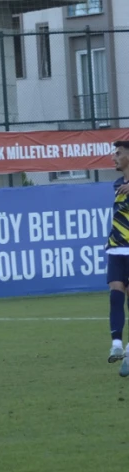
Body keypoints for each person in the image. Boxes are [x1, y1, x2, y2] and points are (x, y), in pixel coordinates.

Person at [106, 141, 129, 374]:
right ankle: (116, 346)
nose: (114, 158)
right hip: (116, 249)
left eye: (119, 154)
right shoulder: (117, 184)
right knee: (115, 295)